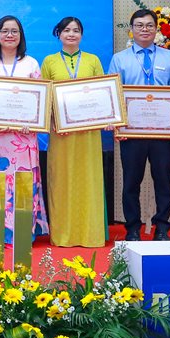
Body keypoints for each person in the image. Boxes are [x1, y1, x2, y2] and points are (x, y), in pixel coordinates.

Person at [109, 8, 170, 241]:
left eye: (149, 25)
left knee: (163, 182)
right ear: (132, 29)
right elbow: (113, 94)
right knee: (131, 183)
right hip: (131, 133)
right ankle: (132, 229)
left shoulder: (169, 57)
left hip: (163, 134)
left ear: (156, 29)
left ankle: (162, 228)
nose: (144, 29)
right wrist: (117, 126)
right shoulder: (119, 59)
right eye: (139, 25)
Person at [0, 15, 49, 245]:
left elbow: (40, 99)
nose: (9, 35)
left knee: (22, 181)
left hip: (24, 137)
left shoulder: (31, 64)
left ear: (21, 36)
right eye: (4, 31)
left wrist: (33, 120)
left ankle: (22, 233)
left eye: (14, 31)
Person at [40, 16, 107, 247]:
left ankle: (90, 234)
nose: (71, 34)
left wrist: (107, 116)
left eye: (76, 30)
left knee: (88, 180)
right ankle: (63, 234)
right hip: (61, 133)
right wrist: (51, 120)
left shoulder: (93, 60)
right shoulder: (49, 61)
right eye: (66, 30)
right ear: (58, 34)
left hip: (88, 133)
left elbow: (102, 92)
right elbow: (44, 96)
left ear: (82, 34)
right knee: (62, 181)